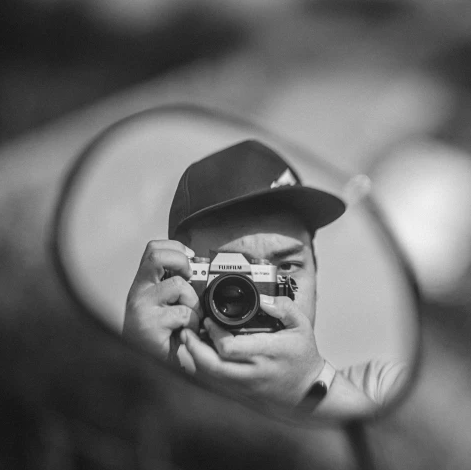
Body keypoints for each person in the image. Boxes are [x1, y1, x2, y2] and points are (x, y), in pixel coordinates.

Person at [122, 139, 407, 417]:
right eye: (231, 273)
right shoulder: (152, 407)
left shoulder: (384, 390)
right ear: (179, 279)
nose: (260, 296)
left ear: (316, 276)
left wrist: (310, 384)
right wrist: (137, 368)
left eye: (286, 268)